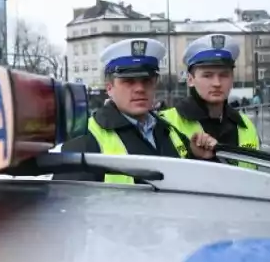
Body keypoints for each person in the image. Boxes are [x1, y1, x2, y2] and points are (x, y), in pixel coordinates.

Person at [54, 38, 218, 184]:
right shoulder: (84, 138)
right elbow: (69, 207)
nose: (140, 89)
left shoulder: (170, 130)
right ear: (109, 87)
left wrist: (200, 158)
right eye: (129, 81)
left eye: (146, 80)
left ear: (155, 84)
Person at [160, 34, 260, 166]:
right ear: (190, 80)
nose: (217, 83)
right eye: (207, 75)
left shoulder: (245, 125)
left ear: (232, 79)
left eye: (224, 75)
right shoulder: (166, 123)